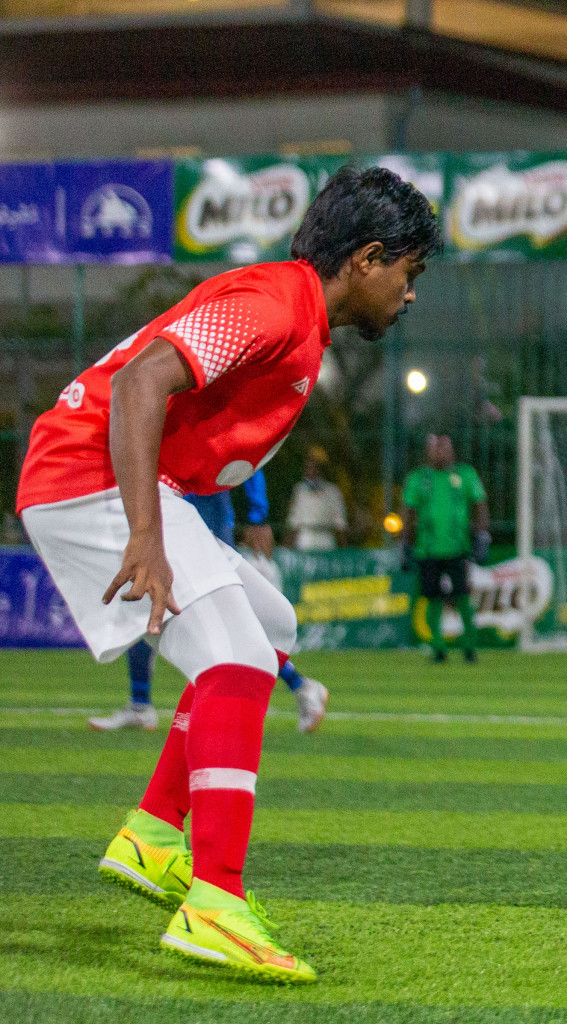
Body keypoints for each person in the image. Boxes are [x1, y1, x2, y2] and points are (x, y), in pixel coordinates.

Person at [17, 165, 438, 982]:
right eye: (408, 273)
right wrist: (146, 531)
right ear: (368, 258)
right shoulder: (276, 304)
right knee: (236, 659)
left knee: (270, 629)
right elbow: (145, 380)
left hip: (116, 478)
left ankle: (153, 834)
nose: (409, 293)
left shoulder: (299, 317)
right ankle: (215, 900)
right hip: (86, 477)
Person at [89, 469, 330, 734]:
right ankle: (140, 704)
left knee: (229, 618)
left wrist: (258, 514)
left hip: (203, 512)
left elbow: (240, 446)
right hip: (164, 508)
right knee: (144, 597)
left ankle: (300, 686)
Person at [401, 434, 490, 664]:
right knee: (432, 598)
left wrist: (482, 534)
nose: (440, 453)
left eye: (445, 448)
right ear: (429, 452)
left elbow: (479, 504)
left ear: (452, 451)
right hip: (427, 549)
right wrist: (405, 543)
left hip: (458, 548)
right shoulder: (418, 478)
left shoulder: (465, 474)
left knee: (462, 596)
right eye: (436, 449)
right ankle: (438, 647)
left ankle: (469, 646)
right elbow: (408, 512)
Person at [287, 447, 347, 551]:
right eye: (307, 467)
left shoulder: (333, 491)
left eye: (314, 467)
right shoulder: (299, 490)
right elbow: (293, 522)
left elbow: (340, 524)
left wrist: (343, 550)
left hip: (326, 544)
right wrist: (288, 546)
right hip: (304, 543)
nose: (309, 471)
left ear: (320, 469)